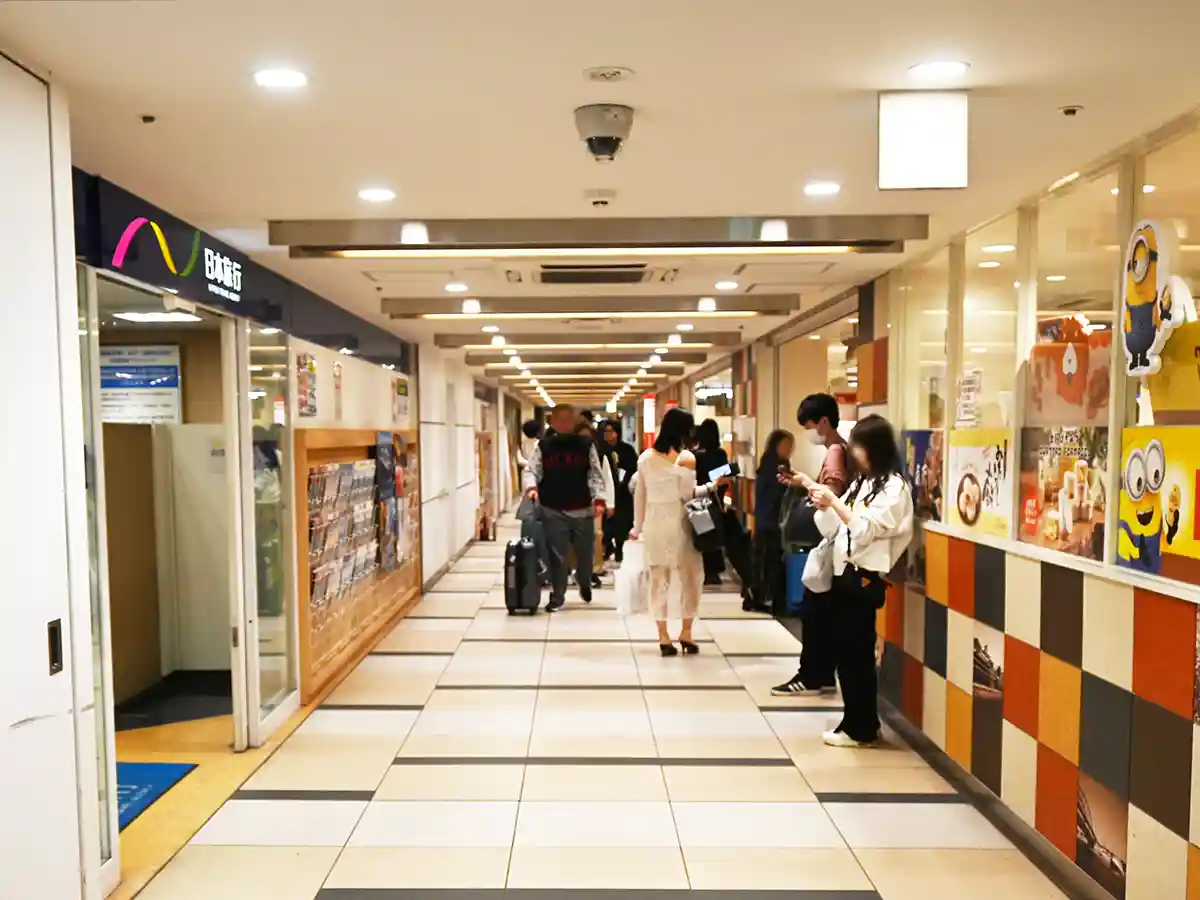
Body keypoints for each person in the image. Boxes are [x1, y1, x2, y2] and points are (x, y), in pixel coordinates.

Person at [791, 415, 912, 747]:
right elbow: (836, 529)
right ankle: (855, 721)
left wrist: (834, 503)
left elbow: (865, 530)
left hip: (864, 579)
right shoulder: (865, 483)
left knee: (857, 655)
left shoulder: (894, 488)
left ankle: (861, 727)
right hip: (844, 574)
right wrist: (821, 501)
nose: (854, 453)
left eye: (858, 445)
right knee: (847, 653)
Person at [772, 393, 851, 695]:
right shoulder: (840, 448)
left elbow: (828, 497)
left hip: (829, 541)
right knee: (821, 610)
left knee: (815, 611)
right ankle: (822, 673)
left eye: (810, 425)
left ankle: (813, 674)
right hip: (835, 543)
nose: (810, 432)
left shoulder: (834, 450)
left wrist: (806, 484)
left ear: (824, 421)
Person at [631, 407, 721, 656]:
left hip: (656, 522)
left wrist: (637, 527)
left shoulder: (646, 458)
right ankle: (686, 633)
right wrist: (713, 485)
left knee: (659, 580)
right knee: (691, 578)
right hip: (683, 523)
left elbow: (640, 495)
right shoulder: (687, 458)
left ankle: (663, 637)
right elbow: (688, 493)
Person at [523, 404, 606, 610]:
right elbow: (531, 469)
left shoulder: (586, 444)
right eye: (560, 420)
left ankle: (584, 580)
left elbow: (595, 473)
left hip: (582, 507)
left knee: (585, 553)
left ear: (575, 422)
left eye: (568, 420)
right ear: (552, 422)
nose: (564, 424)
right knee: (557, 555)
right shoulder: (544, 445)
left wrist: (599, 499)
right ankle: (557, 594)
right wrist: (532, 487)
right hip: (553, 508)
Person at [753, 429, 795, 616]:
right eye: (786, 445)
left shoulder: (777, 463)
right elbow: (776, 494)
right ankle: (768, 600)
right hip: (770, 520)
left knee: (768, 561)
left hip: (769, 519)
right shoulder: (773, 465)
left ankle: (761, 598)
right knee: (770, 562)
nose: (789, 449)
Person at [574, 419, 614, 589]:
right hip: (573, 503)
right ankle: (577, 569)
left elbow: (607, 479)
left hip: (594, 501)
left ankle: (595, 570)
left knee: (597, 535)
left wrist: (609, 503)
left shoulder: (599, 454)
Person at [599, 418, 637, 564]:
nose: (608, 435)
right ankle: (607, 548)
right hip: (606, 493)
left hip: (623, 494)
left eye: (610, 431)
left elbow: (633, 469)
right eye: (605, 432)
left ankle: (620, 549)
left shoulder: (626, 450)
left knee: (622, 523)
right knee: (606, 526)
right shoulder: (600, 449)